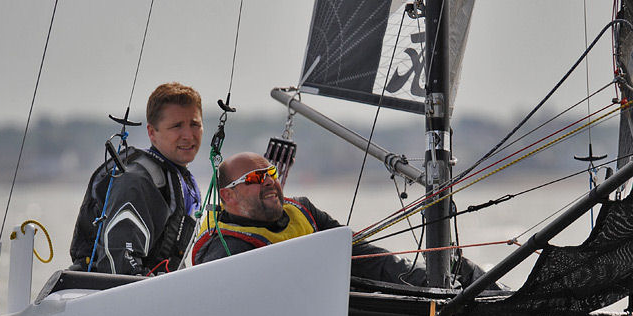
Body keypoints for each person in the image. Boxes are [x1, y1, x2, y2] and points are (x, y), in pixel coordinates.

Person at [191, 152, 497, 289]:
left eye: (271, 173)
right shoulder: (222, 247)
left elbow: (368, 260)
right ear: (228, 197)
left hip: (346, 314)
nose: (270, 180)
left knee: (453, 269)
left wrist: (431, 284)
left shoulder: (304, 211)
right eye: (256, 178)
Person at [69, 82, 203, 275]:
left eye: (195, 124)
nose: (188, 135)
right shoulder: (135, 181)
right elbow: (119, 262)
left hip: (159, 289)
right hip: (105, 293)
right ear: (152, 132)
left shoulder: (180, 179)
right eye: (176, 126)